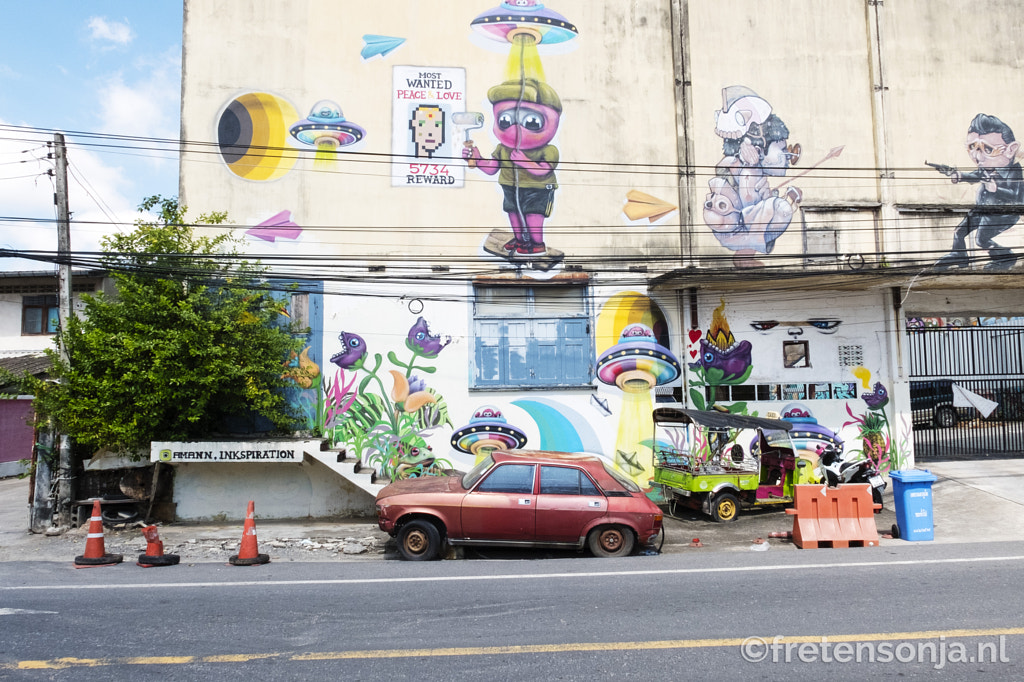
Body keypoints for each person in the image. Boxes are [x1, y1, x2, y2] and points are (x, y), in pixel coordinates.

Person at [463, 78, 561, 258]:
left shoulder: (548, 150)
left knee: (533, 217)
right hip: (509, 187)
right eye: (505, 120)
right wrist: (477, 159)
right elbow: (492, 168)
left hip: (537, 190)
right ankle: (521, 240)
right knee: (514, 215)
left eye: (532, 121)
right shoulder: (503, 149)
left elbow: (543, 170)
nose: (516, 128)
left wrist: (525, 162)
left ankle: (537, 244)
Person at [933, 114, 1024, 271]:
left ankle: (1006, 257)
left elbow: (1017, 197)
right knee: (959, 232)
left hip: (1003, 213)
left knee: (981, 240)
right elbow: (976, 175)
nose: (977, 156)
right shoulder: (986, 168)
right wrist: (958, 176)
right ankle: (959, 256)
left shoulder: (1014, 172)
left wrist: (996, 189)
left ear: (1011, 149)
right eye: (972, 148)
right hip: (982, 209)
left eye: (988, 149)